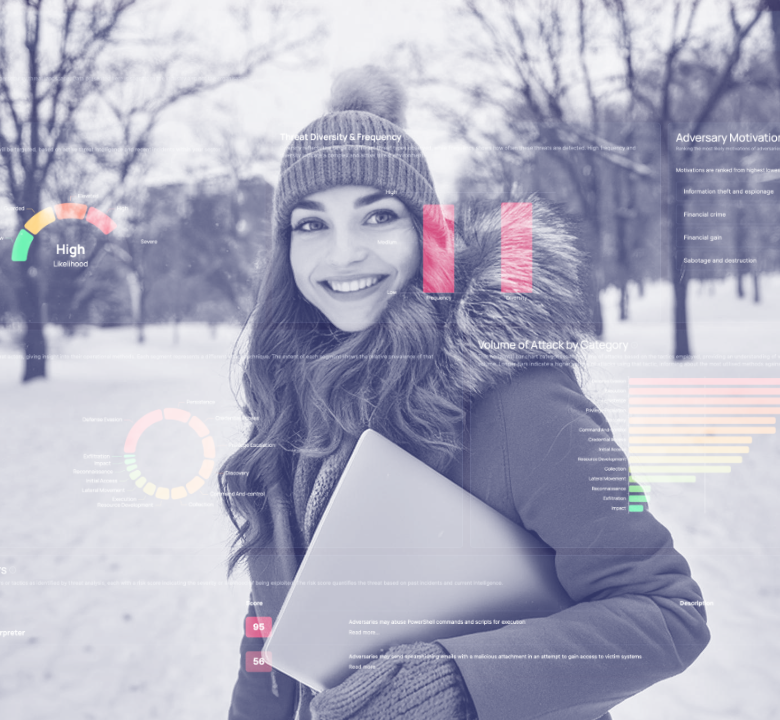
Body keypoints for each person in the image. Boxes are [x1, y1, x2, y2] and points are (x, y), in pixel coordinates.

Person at [221, 67, 710, 720]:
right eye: (311, 225)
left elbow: (666, 611)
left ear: (429, 235)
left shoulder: (519, 398)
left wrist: (459, 682)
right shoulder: (290, 412)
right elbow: (270, 637)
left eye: (378, 216)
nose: (342, 254)